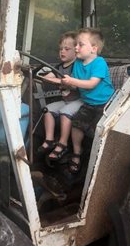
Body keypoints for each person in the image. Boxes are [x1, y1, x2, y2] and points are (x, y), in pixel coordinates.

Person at [61, 27, 115, 173]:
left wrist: (72, 80)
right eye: (76, 44)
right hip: (88, 103)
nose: (76, 48)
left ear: (94, 48)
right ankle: (77, 153)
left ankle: (100, 158)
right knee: (77, 124)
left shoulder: (99, 62)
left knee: (98, 130)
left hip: (106, 103)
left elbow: (91, 84)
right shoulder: (78, 63)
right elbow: (75, 83)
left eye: (80, 44)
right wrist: (64, 82)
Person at [37, 31, 83, 161]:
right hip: (67, 101)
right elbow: (49, 76)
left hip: (80, 100)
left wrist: (58, 81)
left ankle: (63, 144)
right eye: (61, 49)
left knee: (65, 112)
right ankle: (50, 139)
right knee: (47, 109)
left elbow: (73, 83)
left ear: (76, 51)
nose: (62, 51)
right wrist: (39, 76)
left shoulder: (77, 67)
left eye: (67, 49)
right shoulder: (59, 67)